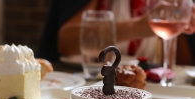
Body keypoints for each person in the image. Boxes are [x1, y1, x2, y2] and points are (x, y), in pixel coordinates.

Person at [36, 0, 195, 64]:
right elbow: (66, 41)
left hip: (149, 92)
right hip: (82, 86)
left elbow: (185, 63)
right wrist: (139, 27)